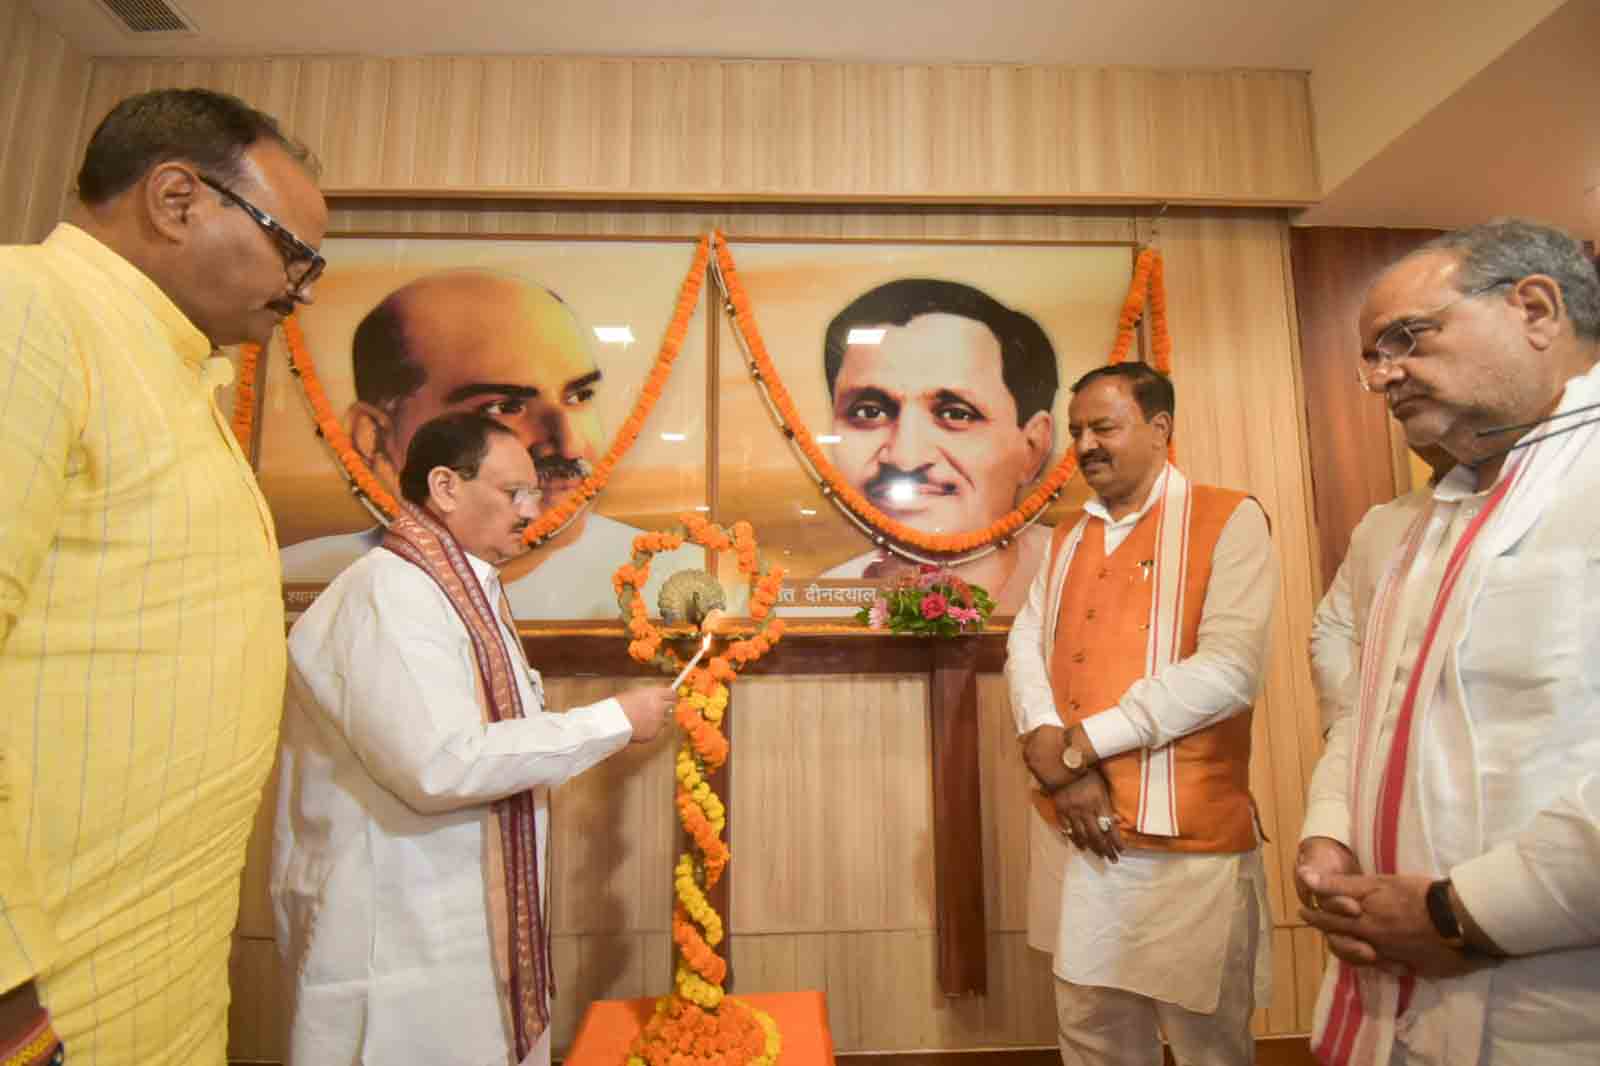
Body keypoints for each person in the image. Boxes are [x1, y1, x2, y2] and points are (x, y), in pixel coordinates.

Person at [0, 88, 326, 1066]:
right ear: (176, 198)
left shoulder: (176, 371)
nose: (302, 289)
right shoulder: (30, 308)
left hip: (150, 984)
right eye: (292, 252)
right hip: (46, 1004)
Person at [272, 411, 676, 1066]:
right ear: (445, 486)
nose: (531, 511)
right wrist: (612, 721)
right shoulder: (392, 593)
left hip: (449, 927)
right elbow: (440, 765)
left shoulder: (458, 588)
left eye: (534, 493)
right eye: (512, 492)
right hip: (400, 932)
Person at [1297, 219, 1600, 1066]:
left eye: (1406, 338)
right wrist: (1331, 834)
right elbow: (1377, 706)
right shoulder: (1429, 513)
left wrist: (1463, 914)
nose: (1381, 376)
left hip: (1556, 1016)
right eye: (1371, 356)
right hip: (1395, 995)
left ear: (1534, 308)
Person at [1005, 362, 1278, 1066]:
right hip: (1075, 830)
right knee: (1092, 1030)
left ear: (1160, 429)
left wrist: (1080, 746)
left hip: (1186, 844)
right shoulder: (1066, 534)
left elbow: (1229, 670)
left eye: (1105, 426)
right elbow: (1026, 643)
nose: (1087, 444)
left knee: (1205, 1040)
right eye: (1077, 432)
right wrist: (1051, 751)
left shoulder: (1230, 517)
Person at [279, 269, 701, 618]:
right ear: (374, 437)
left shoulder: (675, 579)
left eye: (579, 397)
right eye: (505, 406)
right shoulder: (313, 583)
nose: (571, 445)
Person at [820, 278, 1059, 612]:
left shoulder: (1079, 576)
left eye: (956, 414)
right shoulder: (812, 611)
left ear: (1032, 446)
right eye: (869, 412)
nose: (905, 458)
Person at [1308, 445, 1452, 735]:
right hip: (1368, 750)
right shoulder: (1379, 523)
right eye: (1386, 394)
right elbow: (1334, 629)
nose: (1394, 397)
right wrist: (1350, 726)